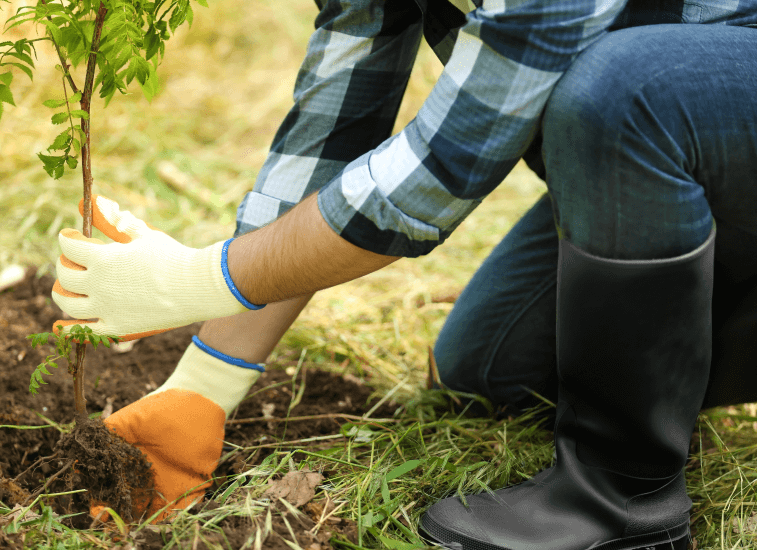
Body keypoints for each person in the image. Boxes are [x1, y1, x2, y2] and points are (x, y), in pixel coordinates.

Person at [51, 0, 757, 547]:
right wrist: (202, 387)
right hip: (706, 172)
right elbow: (329, 135)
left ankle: (625, 503)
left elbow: (446, 167)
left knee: (624, 92)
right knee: (489, 378)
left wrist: (197, 278)